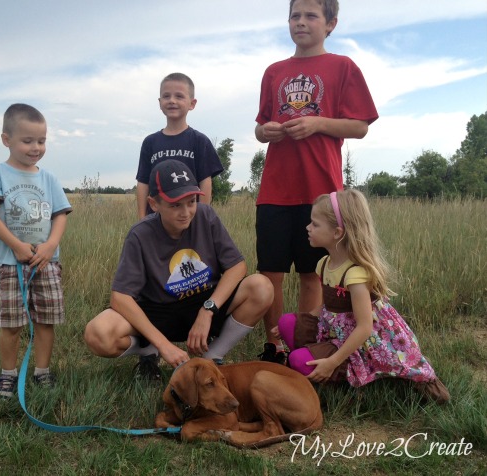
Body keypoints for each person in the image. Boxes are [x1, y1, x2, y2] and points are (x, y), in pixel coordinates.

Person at [254, 0, 378, 364]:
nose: (301, 22)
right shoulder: (274, 71)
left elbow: (360, 126)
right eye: (295, 16)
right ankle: (274, 346)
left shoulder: (342, 67)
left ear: (331, 24)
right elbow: (260, 126)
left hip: (321, 193)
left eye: (311, 16)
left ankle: (303, 344)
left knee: (313, 274)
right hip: (275, 189)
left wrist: (318, 123)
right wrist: (267, 131)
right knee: (270, 272)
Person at [84, 159, 273, 380]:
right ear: (154, 204)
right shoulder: (139, 234)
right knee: (98, 333)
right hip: (159, 310)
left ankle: (210, 359)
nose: (186, 212)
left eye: (191, 202)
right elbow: (120, 297)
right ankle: (149, 351)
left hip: (203, 300)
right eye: (175, 205)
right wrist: (163, 345)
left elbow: (237, 266)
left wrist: (208, 309)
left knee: (262, 287)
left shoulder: (206, 215)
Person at [276, 189, 450, 404]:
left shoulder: (355, 275)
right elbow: (325, 306)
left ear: (337, 232)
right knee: (287, 322)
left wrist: (333, 361)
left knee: (297, 360)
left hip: (364, 343)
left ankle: (339, 375)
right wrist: (301, 323)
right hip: (335, 332)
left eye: (315, 224)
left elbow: (365, 327)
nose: (307, 228)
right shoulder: (323, 264)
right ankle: (315, 364)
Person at [0, 103, 72, 398]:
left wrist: (51, 245)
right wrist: (16, 245)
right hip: (11, 263)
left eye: (41, 141)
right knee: (12, 323)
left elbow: (59, 214)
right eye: (27, 141)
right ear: (6, 140)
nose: (36, 148)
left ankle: (41, 371)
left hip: (47, 263)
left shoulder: (49, 179)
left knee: (46, 320)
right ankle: (8, 374)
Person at [135, 72, 223, 220]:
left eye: (179, 96)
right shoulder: (150, 142)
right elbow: (143, 182)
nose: (172, 101)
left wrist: (201, 219)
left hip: (188, 218)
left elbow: (205, 182)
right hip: (156, 221)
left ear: (192, 104)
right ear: (159, 102)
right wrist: (142, 219)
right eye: (166, 96)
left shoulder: (200, 141)